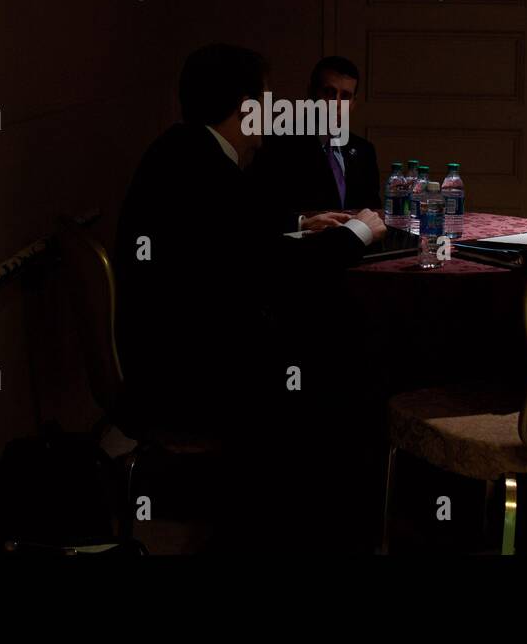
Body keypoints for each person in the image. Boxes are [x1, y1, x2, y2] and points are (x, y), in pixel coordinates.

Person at [114, 44, 385, 438]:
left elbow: (232, 235)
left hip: (165, 347)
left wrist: (301, 221)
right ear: (245, 106)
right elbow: (276, 267)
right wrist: (358, 231)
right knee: (339, 350)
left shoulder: (183, 149)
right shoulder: (208, 169)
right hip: (188, 376)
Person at [250, 56, 382, 234]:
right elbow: (260, 212)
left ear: (353, 103)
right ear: (311, 93)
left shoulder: (364, 150)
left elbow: (372, 212)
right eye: (329, 92)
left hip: (355, 250)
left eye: (345, 96)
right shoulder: (278, 144)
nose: (336, 104)